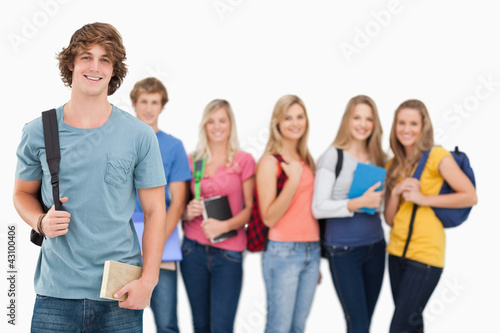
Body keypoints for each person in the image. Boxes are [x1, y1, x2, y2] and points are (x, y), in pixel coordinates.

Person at [13, 23, 167, 332]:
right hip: (56, 293)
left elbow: (154, 211)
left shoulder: (138, 134)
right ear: (71, 63)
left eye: (105, 59)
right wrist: (40, 221)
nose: (94, 67)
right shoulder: (40, 131)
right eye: (86, 56)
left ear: (114, 71)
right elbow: (22, 193)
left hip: (119, 292)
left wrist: (148, 281)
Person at [384, 99, 477, 333]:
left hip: (425, 258)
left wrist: (424, 199)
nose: (407, 129)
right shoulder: (392, 165)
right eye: (401, 123)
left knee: (399, 328)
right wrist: (395, 193)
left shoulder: (437, 156)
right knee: (411, 325)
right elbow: (390, 219)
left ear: (423, 126)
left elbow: (470, 196)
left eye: (413, 123)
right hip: (395, 255)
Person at [312, 95, 387, 333]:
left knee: (364, 322)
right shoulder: (333, 156)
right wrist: (357, 203)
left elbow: (379, 208)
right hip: (344, 251)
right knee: (359, 325)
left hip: (376, 247)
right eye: (357, 117)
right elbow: (318, 206)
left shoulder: (379, 158)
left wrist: (382, 201)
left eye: (368, 119)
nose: (362, 124)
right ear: (347, 120)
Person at [180, 99, 255, 333]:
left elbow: (250, 209)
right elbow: (179, 206)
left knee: (222, 327)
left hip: (229, 254)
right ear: (204, 125)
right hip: (193, 252)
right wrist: (186, 212)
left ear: (230, 124)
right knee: (200, 325)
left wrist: (223, 227)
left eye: (222, 120)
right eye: (211, 121)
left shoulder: (243, 161)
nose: (216, 126)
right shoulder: (193, 161)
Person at [130, 77, 191, 333]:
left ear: (162, 106)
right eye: (144, 101)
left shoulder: (174, 147)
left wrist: (153, 245)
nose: (148, 108)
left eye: (154, 102)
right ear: (134, 104)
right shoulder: (123, 141)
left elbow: (177, 203)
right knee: (123, 320)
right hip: (124, 237)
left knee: (166, 322)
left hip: (164, 238)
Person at [256, 94, 320, 333]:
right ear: (277, 123)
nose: (295, 123)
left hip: (311, 252)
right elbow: (268, 217)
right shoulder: (270, 162)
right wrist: (292, 181)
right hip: (283, 252)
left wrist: (314, 257)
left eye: (300, 117)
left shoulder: (308, 160)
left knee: (298, 327)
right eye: (288, 118)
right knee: (279, 327)